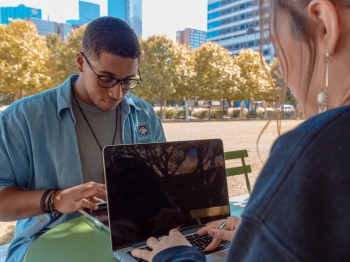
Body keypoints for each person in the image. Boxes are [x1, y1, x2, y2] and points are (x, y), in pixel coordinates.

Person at [132, 0, 350, 261]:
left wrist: (176, 255)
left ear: (324, 24)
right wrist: (262, 239)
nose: (281, 72)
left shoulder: (316, 153)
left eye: (276, 47)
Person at [0, 17, 165, 261]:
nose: (117, 93)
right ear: (80, 62)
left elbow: (160, 185)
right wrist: (54, 199)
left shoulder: (144, 115)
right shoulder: (23, 118)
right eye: (106, 78)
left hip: (135, 239)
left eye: (128, 81)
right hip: (47, 243)